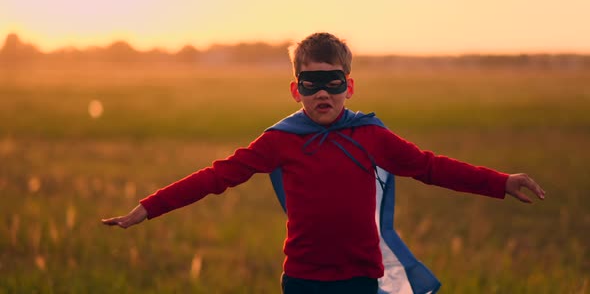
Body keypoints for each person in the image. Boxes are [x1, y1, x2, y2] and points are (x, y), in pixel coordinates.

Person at [102, 32, 545, 294]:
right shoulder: (280, 140)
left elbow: (431, 167)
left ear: (349, 85)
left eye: (332, 82)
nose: (322, 93)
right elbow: (218, 176)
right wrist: (148, 207)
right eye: (311, 83)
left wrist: (500, 181)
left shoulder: (371, 135)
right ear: (296, 89)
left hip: (359, 280)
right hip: (302, 281)